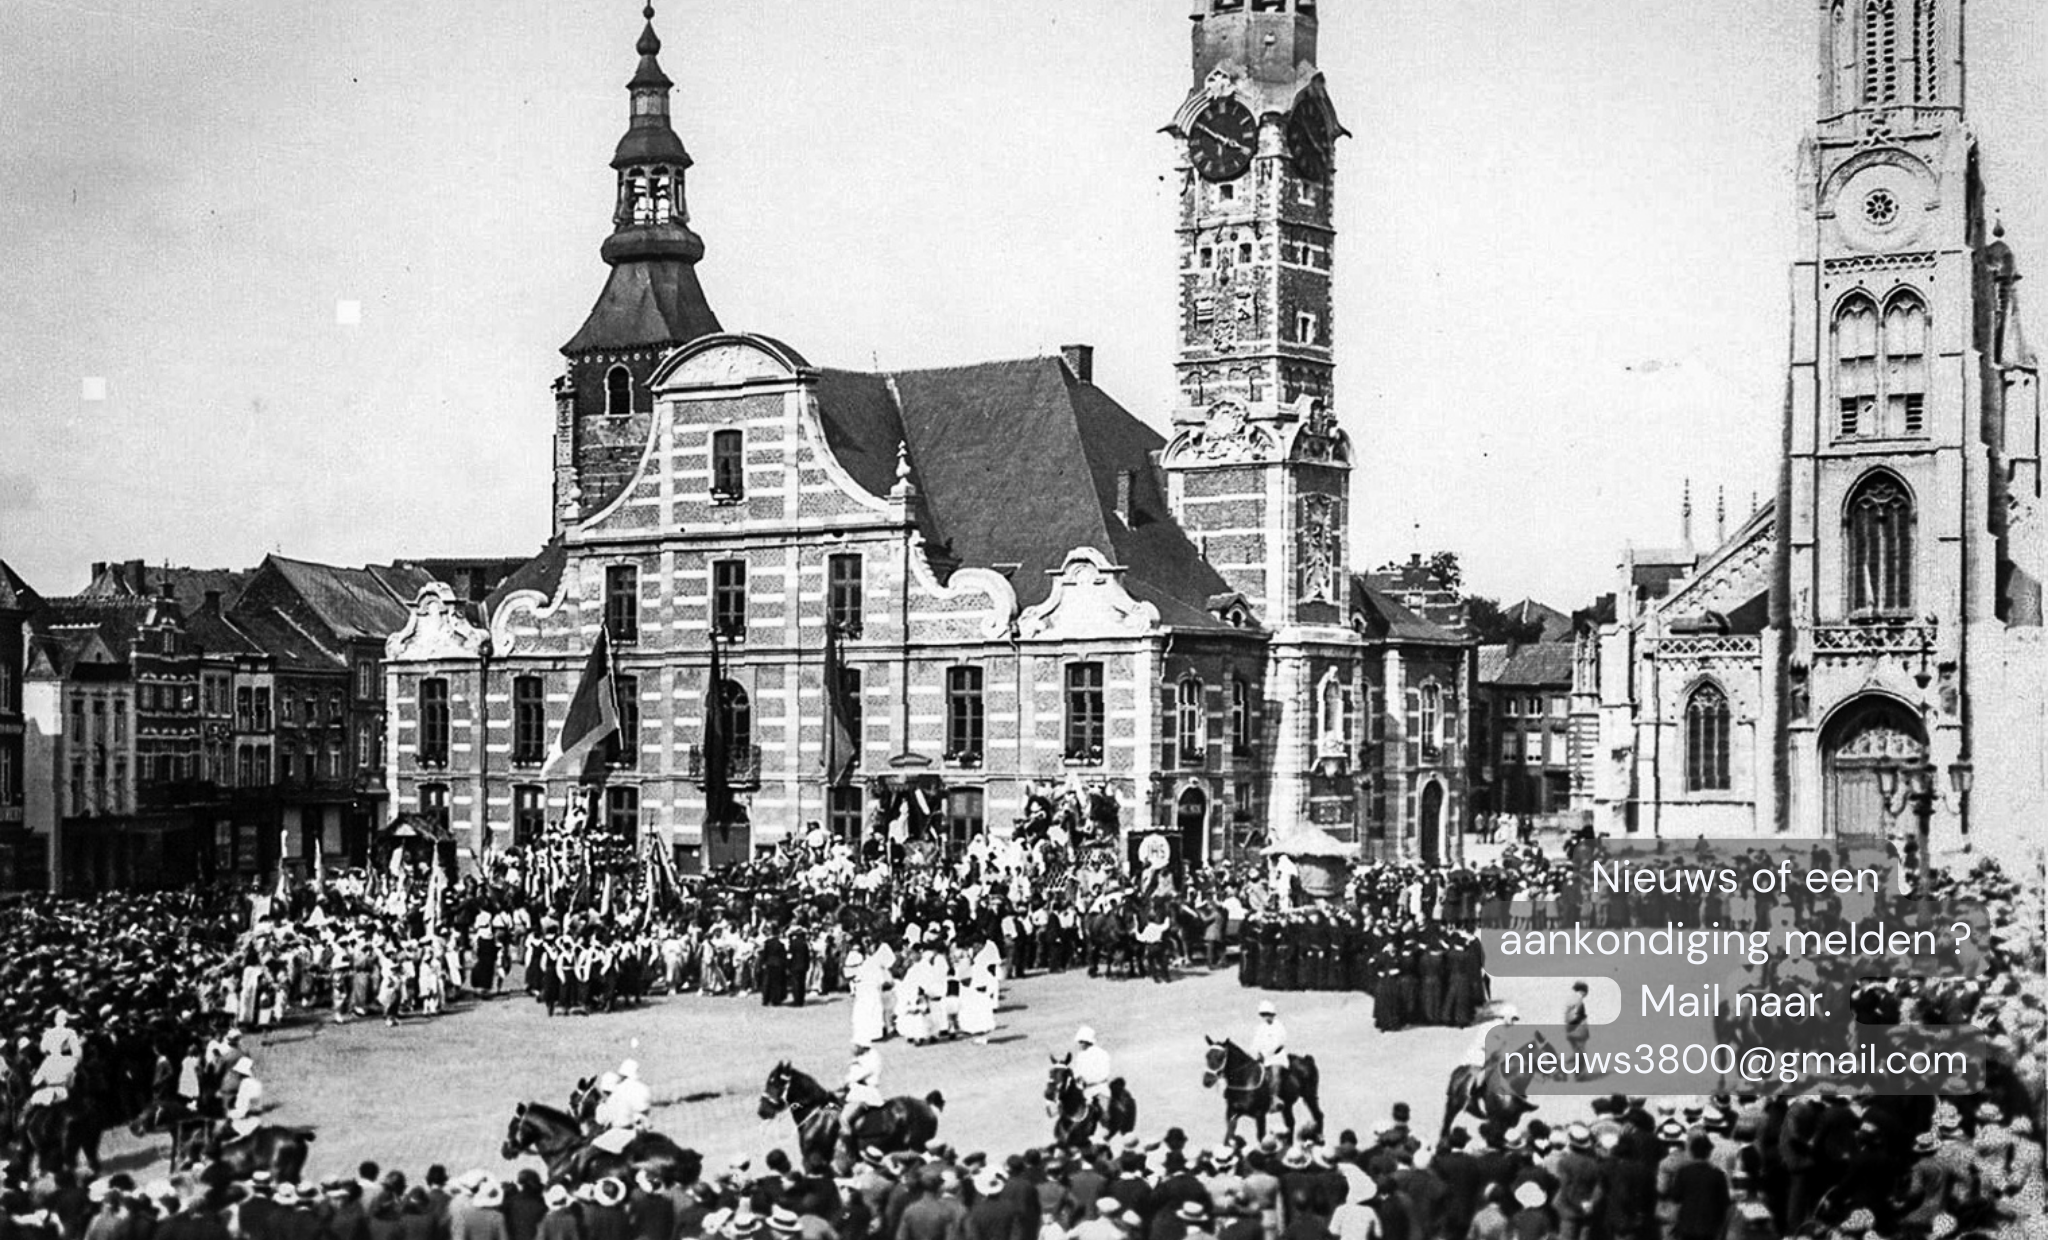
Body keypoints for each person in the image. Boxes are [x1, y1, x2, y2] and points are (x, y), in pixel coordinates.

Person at [31, 1008, 83, 1105]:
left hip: (49, 1066)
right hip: (63, 1088)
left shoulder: (47, 1034)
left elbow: (42, 1049)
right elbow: (78, 1055)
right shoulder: (71, 1033)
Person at [842, 1038, 883, 1138]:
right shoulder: (862, 1058)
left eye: (855, 1046)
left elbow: (854, 1077)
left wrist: (846, 1081)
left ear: (861, 1047)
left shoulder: (870, 1060)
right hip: (855, 1092)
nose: (852, 1049)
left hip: (864, 1094)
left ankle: (848, 1143)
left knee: (844, 1118)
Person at [1250, 1002, 1288, 1101]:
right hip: (1263, 1058)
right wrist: (1255, 1052)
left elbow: (1278, 1043)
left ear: (1272, 1014)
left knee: (1275, 1075)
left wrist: (1265, 1053)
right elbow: (1256, 1042)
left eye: (1267, 1014)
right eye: (1263, 1015)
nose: (1265, 1017)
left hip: (1276, 1058)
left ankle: (1274, 1098)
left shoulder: (1279, 1026)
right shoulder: (1261, 1027)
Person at [1072, 1027, 1113, 1119]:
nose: (1080, 1044)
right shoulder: (1080, 1056)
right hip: (1084, 1090)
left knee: (1104, 1116)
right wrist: (1077, 1077)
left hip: (1099, 1089)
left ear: (1087, 1041)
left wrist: (1087, 1080)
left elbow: (1104, 1073)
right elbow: (1077, 1071)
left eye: (1081, 1042)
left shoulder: (1102, 1054)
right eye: (1079, 1042)